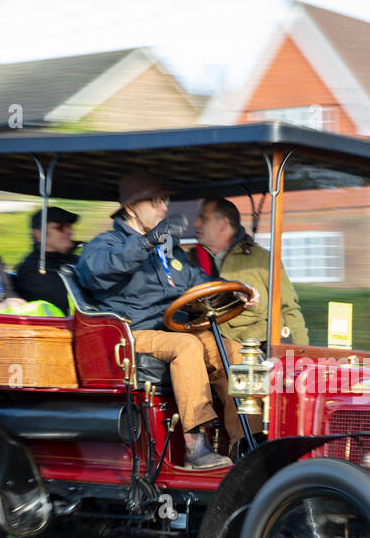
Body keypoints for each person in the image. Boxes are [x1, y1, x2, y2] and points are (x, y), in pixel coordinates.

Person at [75, 172, 258, 470]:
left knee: (231, 350)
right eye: (157, 201)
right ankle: (195, 446)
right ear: (132, 207)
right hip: (132, 335)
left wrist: (236, 291)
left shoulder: (166, 250)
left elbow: (199, 282)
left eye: (166, 200)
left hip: (172, 330)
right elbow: (96, 271)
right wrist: (146, 242)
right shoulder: (105, 244)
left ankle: (247, 444)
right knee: (186, 345)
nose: (164, 208)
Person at [193, 198, 309, 346]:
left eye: (203, 218)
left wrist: (303, 355)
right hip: (211, 341)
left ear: (223, 224)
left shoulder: (263, 260)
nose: (196, 223)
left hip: (260, 345)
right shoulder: (188, 261)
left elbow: (289, 309)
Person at [13, 206, 79, 315]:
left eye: (69, 226)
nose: (69, 231)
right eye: (60, 227)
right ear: (39, 234)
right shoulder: (31, 271)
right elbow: (63, 301)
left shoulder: (77, 260)